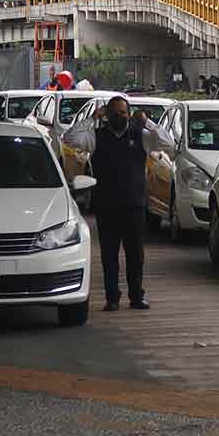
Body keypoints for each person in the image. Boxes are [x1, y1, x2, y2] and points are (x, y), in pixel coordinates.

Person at [67, 96, 148, 312]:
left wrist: (148, 122)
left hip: (134, 205)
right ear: (106, 115)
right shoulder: (96, 136)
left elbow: (167, 143)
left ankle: (136, 296)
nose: (119, 117)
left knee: (136, 255)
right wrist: (92, 118)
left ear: (129, 114)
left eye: (123, 112)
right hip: (107, 206)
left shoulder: (140, 135)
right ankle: (112, 298)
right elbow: (70, 138)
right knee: (109, 256)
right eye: (114, 112)